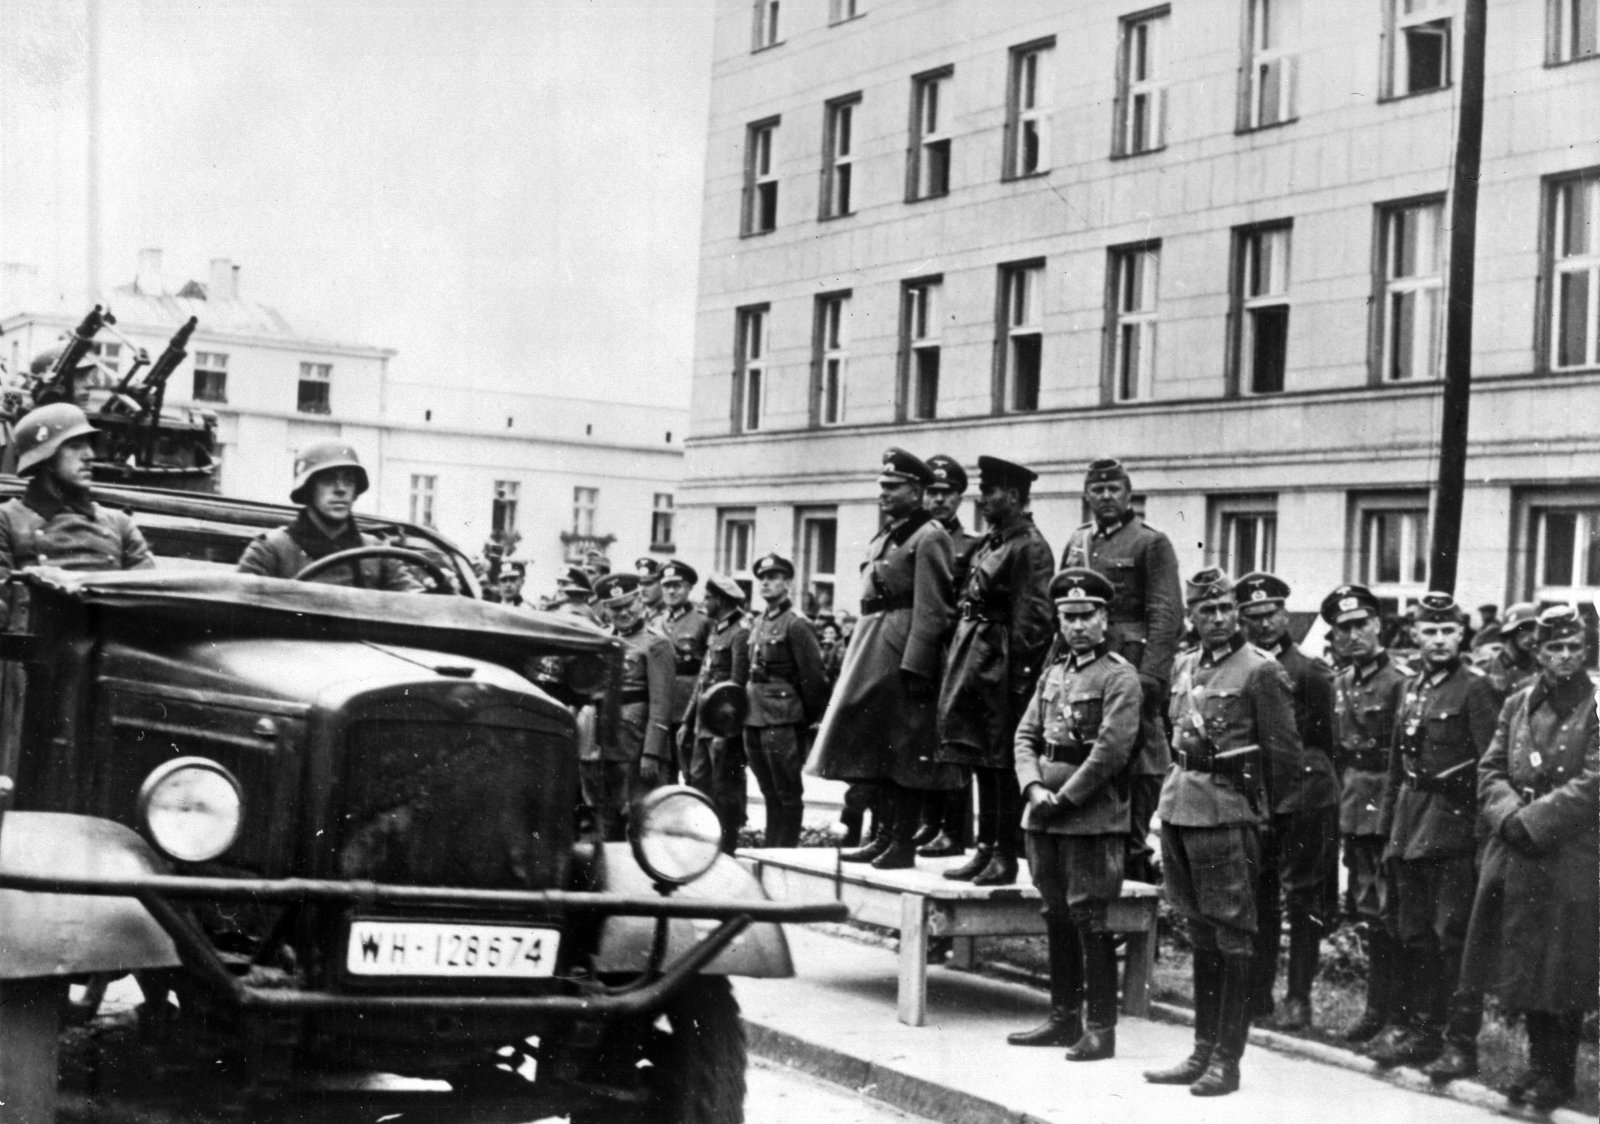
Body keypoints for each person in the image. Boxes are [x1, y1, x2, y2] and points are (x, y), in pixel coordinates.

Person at [1144, 569, 1299, 1098]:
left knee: (1233, 935)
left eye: (1225, 609)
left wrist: (1265, 823)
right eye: (1205, 610)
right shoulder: (1184, 665)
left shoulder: (1261, 671)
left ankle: (1226, 1062)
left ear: (1237, 612)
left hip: (1230, 814)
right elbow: (1174, 736)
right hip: (1181, 806)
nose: (1217, 619)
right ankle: (1201, 1050)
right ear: (1191, 615)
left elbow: (1284, 757)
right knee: (1200, 931)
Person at [1461, 605, 1597, 1112]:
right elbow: (1490, 767)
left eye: (1574, 648)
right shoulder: (1518, 703)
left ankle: (1558, 1077)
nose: (1565, 657)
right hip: (1518, 851)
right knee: (1526, 961)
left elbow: (1595, 781)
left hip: (1573, 855)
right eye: (1554, 648)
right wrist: (1509, 816)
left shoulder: (1596, 704)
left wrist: (1535, 821)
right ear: (1537, 652)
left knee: (1564, 966)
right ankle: (1538, 1066)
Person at [1008, 569, 1140, 1059]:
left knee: (1091, 917)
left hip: (1091, 816)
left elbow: (1111, 750)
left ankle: (1101, 1028)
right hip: (1043, 812)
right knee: (1056, 913)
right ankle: (1063, 1018)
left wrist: (1065, 798)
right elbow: (1025, 736)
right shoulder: (1054, 673)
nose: (1078, 625)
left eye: (1087, 616)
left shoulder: (1118, 676)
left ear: (1105, 619)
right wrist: (1033, 786)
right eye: (1069, 617)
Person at [1367, 592, 1499, 1073]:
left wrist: (1485, 843)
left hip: (1453, 830)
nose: (1439, 640)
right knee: (1414, 933)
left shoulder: (1477, 689)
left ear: (1462, 634)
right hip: (1409, 823)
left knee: (1453, 937)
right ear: (1415, 634)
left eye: (1448, 631)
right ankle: (1422, 1031)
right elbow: (1395, 766)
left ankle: (1459, 1043)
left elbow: (1490, 769)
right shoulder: (1411, 687)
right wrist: (1387, 831)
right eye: (1430, 631)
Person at [809, 448, 956, 868]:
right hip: (874, 645)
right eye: (882, 487)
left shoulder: (929, 536)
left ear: (917, 490)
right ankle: (884, 834)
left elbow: (934, 608)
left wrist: (918, 664)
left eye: (893, 487)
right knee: (876, 750)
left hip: (903, 651)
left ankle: (902, 842)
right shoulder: (889, 536)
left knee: (905, 752)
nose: (884, 495)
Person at [1059, 458, 1182, 883]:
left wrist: (1152, 676)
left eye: (1115, 489)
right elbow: (1065, 611)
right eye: (1098, 490)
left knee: (1136, 759)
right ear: (1087, 496)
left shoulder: (1150, 543)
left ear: (1129, 495)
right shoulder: (1078, 542)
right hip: (1087, 668)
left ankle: (1132, 863)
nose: (1107, 497)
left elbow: (1166, 613)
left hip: (1130, 665)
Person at [936, 455, 1054, 885]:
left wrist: (1021, 681)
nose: (982, 499)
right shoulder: (995, 541)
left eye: (990, 491)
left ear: (1016, 496)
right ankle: (985, 847)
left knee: (1002, 761)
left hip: (1003, 667)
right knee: (982, 758)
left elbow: (1034, 619)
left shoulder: (1029, 546)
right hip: (978, 659)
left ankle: (1005, 853)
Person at [1235, 573, 1341, 1031]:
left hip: (1301, 800)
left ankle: (1298, 997)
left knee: (1303, 899)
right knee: (1258, 898)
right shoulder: (1240, 670)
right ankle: (1258, 995)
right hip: (1256, 800)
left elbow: (1328, 745)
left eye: (1271, 614)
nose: (1263, 624)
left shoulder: (1311, 673)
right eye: (1253, 616)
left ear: (1286, 615)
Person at [1321, 583, 1411, 1045]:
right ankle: (1378, 1009)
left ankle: (1396, 1012)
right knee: (1369, 912)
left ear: (1378, 624)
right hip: (1355, 808)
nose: (1353, 635)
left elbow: (1403, 757)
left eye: (1361, 625)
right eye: (1343, 629)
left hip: (1389, 809)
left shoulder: (1400, 681)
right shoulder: (1341, 682)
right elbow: (1340, 753)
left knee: (1393, 913)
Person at [916, 453, 984, 858]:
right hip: (925, 650)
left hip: (954, 652)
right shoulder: (915, 539)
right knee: (921, 739)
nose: (938, 499)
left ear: (960, 497)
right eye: (931, 492)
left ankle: (954, 830)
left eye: (947, 492)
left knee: (954, 743)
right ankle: (930, 820)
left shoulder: (971, 545)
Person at [237, 442, 420, 591]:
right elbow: (238, 608)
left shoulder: (377, 553)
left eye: (348, 480)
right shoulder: (270, 551)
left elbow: (420, 606)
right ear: (308, 489)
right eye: (328, 480)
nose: (340, 489)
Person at [744, 553, 829, 848]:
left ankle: (785, 850)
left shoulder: (796, 624)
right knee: (768, 790)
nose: (766, 583)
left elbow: (814, 678)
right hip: (754, 715)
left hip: (783, 717)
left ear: (788, 583)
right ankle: (771, 847)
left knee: (787, 792)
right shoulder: (758, 622)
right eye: (762, 579)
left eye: (774, 578)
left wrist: (804, 717)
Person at [586, 573, 675, 841]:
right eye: (615, 609)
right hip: (605, 743)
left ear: (639, 601)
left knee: (640, 820)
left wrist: (652, 753)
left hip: (637, 748)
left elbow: (662, 702)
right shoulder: (603, 639)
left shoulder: (656, 643)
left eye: (628, 606)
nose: (623, 613)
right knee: (607, 819)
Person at [679, 573, 752, 852]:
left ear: (720, 600)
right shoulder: (717, 629)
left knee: (725, 791)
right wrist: (687, 721)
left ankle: (726, 850)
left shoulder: (740, 632)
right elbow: (702, 678)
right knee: (699, 784)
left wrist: (727, 732)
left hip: (722, 728)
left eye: (708, 597)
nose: (703, 602)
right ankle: (704, 848)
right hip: (703, 723)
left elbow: (737, 687)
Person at [658, 560, 711, 786]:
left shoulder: (703, 619)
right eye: (666, 585)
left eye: (677, 585)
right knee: (663, 770)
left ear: (689, 588)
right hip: (661, 705)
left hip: (688, 705)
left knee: (692, 771)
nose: (671, 591)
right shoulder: (655, 621)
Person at [1480, 601, 1539, 698]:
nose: (1532, 636)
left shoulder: (1540, 667)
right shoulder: (1487, 669)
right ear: (1510, 633)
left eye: (1534, 629)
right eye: (1524, 628)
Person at [636, 556, 667, 628]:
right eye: (640, 584)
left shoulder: (670, 613)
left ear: (662, 585)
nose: (642, 589)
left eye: (648, 584)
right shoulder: (636, 613)